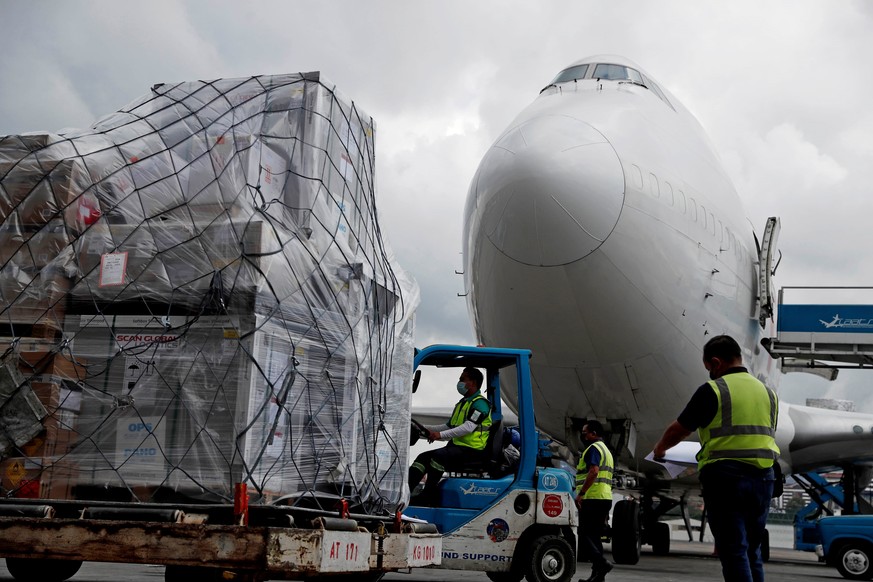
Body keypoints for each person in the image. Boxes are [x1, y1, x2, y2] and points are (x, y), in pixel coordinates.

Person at [653, 335, 779, 582]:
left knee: (733, 550)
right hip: (764, 479)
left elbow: (680, 428)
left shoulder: (714, 390)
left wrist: (660, 449)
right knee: (752, 550)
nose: (709, 373)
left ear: (716, 362)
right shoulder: (768, 393)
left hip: (727, 479)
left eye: (709, 368)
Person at [408, 367, 492, 502]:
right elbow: (448, 426)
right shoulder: (462, 404)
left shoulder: (481, 404)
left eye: (462, 379)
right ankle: (406, 493)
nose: (459, 382)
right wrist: (425, 429)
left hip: (473, 450)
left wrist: (439, 435)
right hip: (458, 448)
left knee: (438, 457)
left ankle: (428, 496)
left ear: (473, 383)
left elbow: (469, 427)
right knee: (423, 457)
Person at [575, 420, 614, 582]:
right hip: (605, 498)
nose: (583, 436)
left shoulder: (593, 449)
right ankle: (598, 576)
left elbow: (594, 471)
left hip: (592, 498)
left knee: (584, 534)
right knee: (595, 537)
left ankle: (601, 563)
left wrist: (581, 493)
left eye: (585, 433)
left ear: (594, 433)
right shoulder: (607, 450)